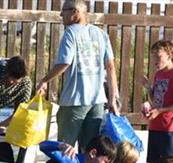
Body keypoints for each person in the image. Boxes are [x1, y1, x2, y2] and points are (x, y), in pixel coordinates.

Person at [36, 0, 119, 150]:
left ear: (75, 12)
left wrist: (44, 80)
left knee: (65, 149)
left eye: (64, 11)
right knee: (89, 152)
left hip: (75, 100)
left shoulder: (70, 32)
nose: (61, 15)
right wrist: (112, 99)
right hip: (97, 101)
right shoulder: (101, 34)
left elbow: (64, 63)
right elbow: (111, 67)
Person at [142, 40, 173, 163]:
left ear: (170, 55)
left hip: (169, 127)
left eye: (159, 56)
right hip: (155, 125)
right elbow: (156, 98)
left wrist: (160, 111)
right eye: (153, 57)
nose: (155, 60)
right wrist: (148, 88)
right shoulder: (158, 74)